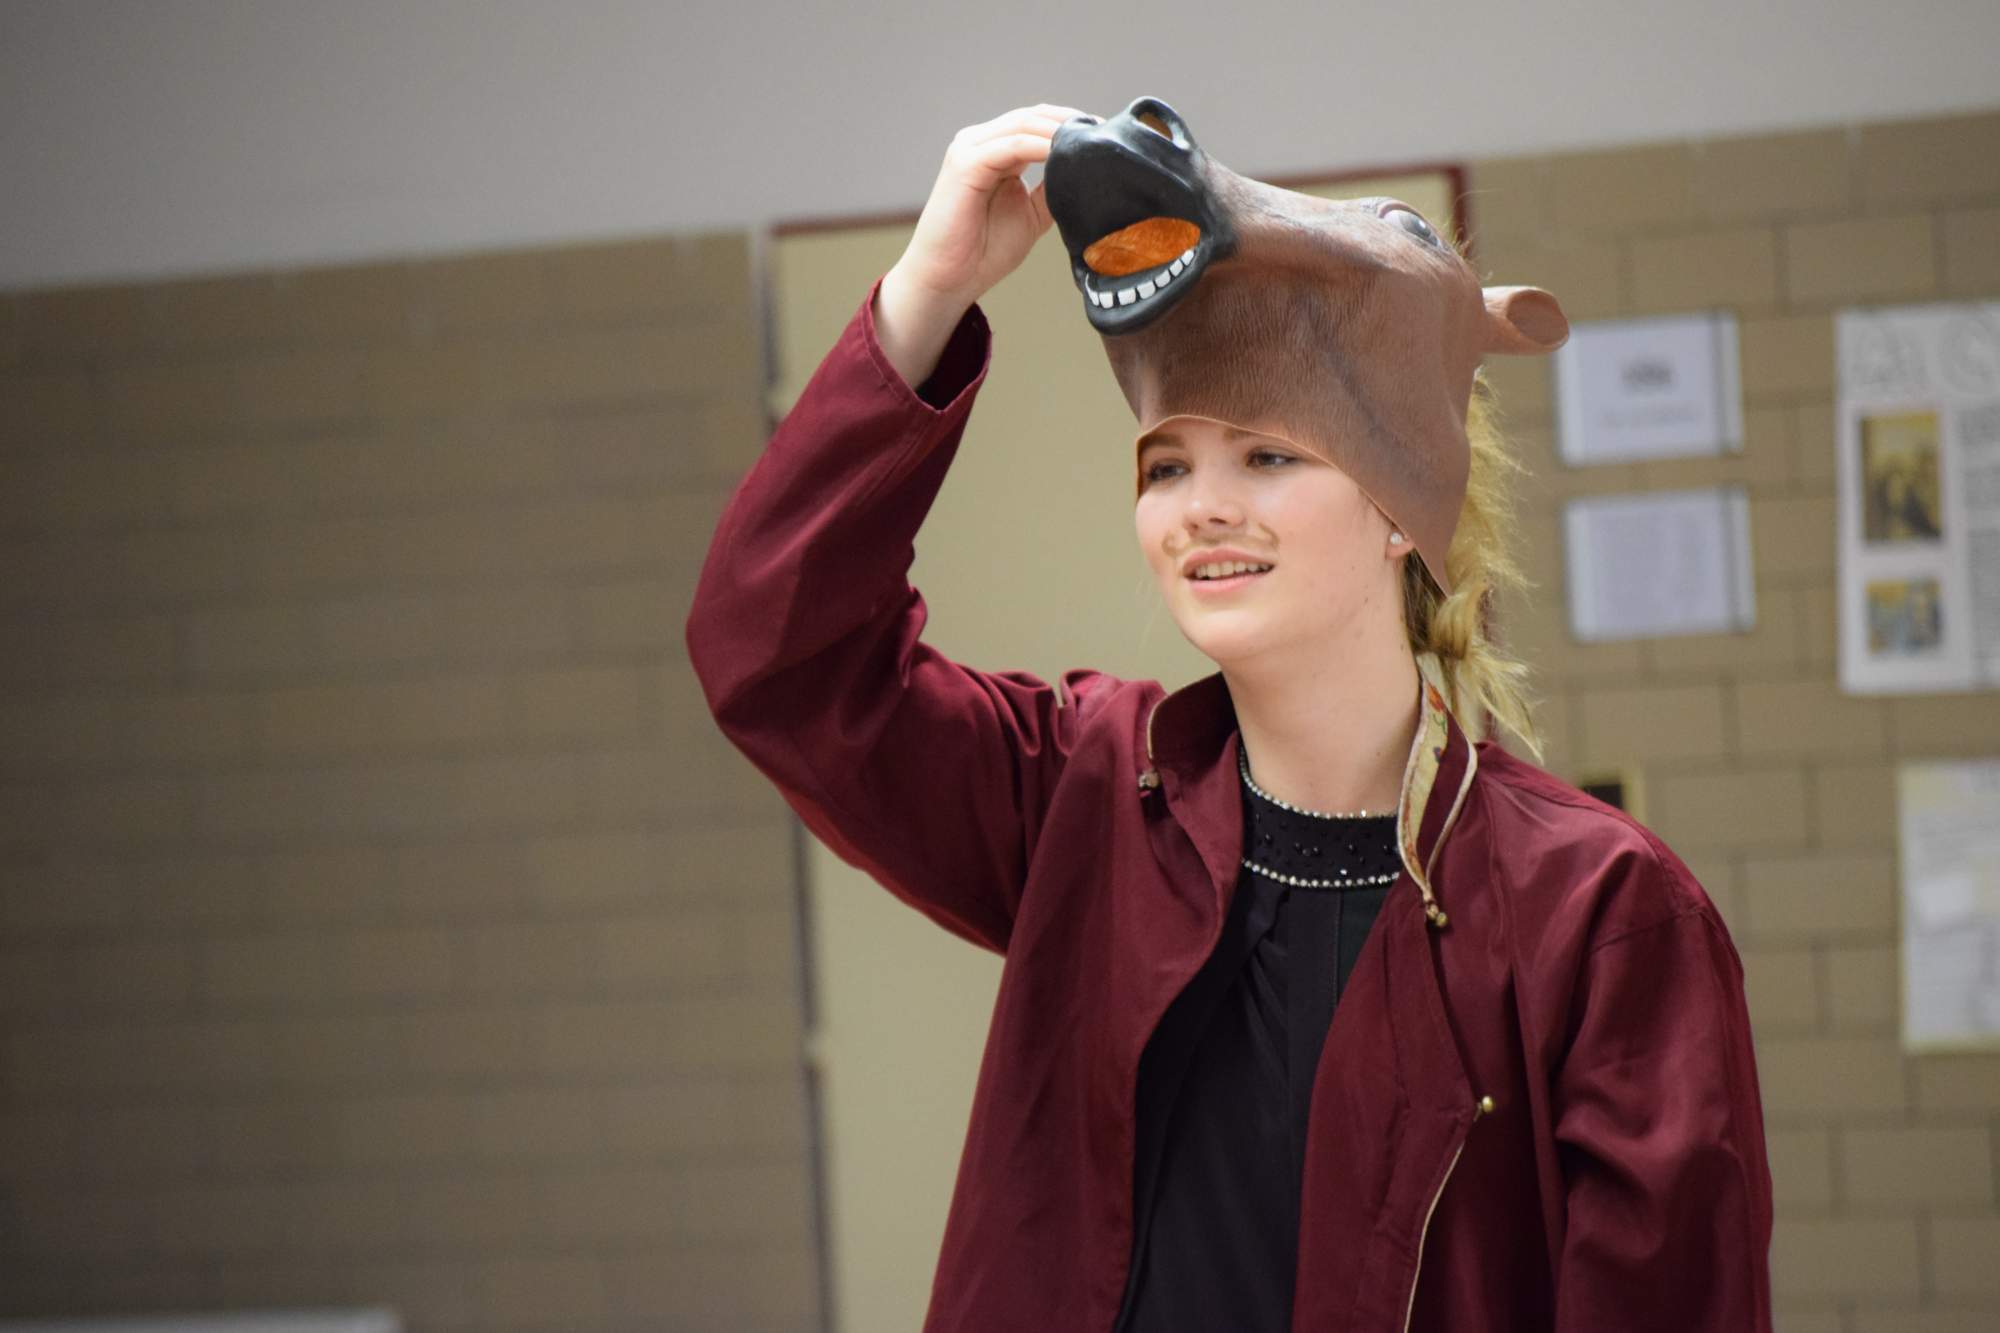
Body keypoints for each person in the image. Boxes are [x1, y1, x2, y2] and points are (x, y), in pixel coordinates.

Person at [686, 102, 1774, 1333]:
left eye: (1265, 456)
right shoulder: (1085, 796)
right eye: (1166, 465)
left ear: (1399, 507)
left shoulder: (1601, 913)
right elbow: (772, 653)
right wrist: (926, 292)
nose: (1200, 506)